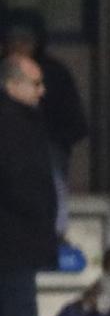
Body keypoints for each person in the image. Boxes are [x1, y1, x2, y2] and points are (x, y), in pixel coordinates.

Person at [0, 45, 61, 316]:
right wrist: (41, 218)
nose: (42, 91)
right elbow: (20, 182)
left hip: (16, 244)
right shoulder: (14, 125)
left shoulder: (23, 122)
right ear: (12, 86)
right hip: (14, 246)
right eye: (35, 84)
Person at [1, 13, 86, 193]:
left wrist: (48, 140)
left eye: (25, 39)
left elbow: (75, 123)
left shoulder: (55, 74)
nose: (19, 46)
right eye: (13, 40)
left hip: (46, 155)